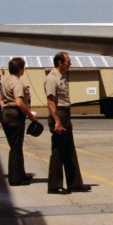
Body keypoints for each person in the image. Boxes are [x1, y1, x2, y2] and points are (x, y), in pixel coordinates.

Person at [45, 51, 90, 194]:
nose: (70, 63)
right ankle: (54, 185)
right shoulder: (52, 78)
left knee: (69, 149)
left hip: (64, 114)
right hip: (59, 114)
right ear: (60, 62)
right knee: (58, 151)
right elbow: (51, 102)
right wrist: (57, 121)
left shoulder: (61, 77)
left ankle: (75, 183)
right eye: (68, 61)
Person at [0, 57, 38, 186]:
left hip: (7, 113)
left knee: (16, 146)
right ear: (20, 69)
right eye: (23, 67)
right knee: (16, 148)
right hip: (15, 115)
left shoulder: (6, 81)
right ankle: (16, 178)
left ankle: (21, 174)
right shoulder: (17, 83)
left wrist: (4, 108)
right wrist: (30, 116)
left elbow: (0, 98)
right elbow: (19, 102)